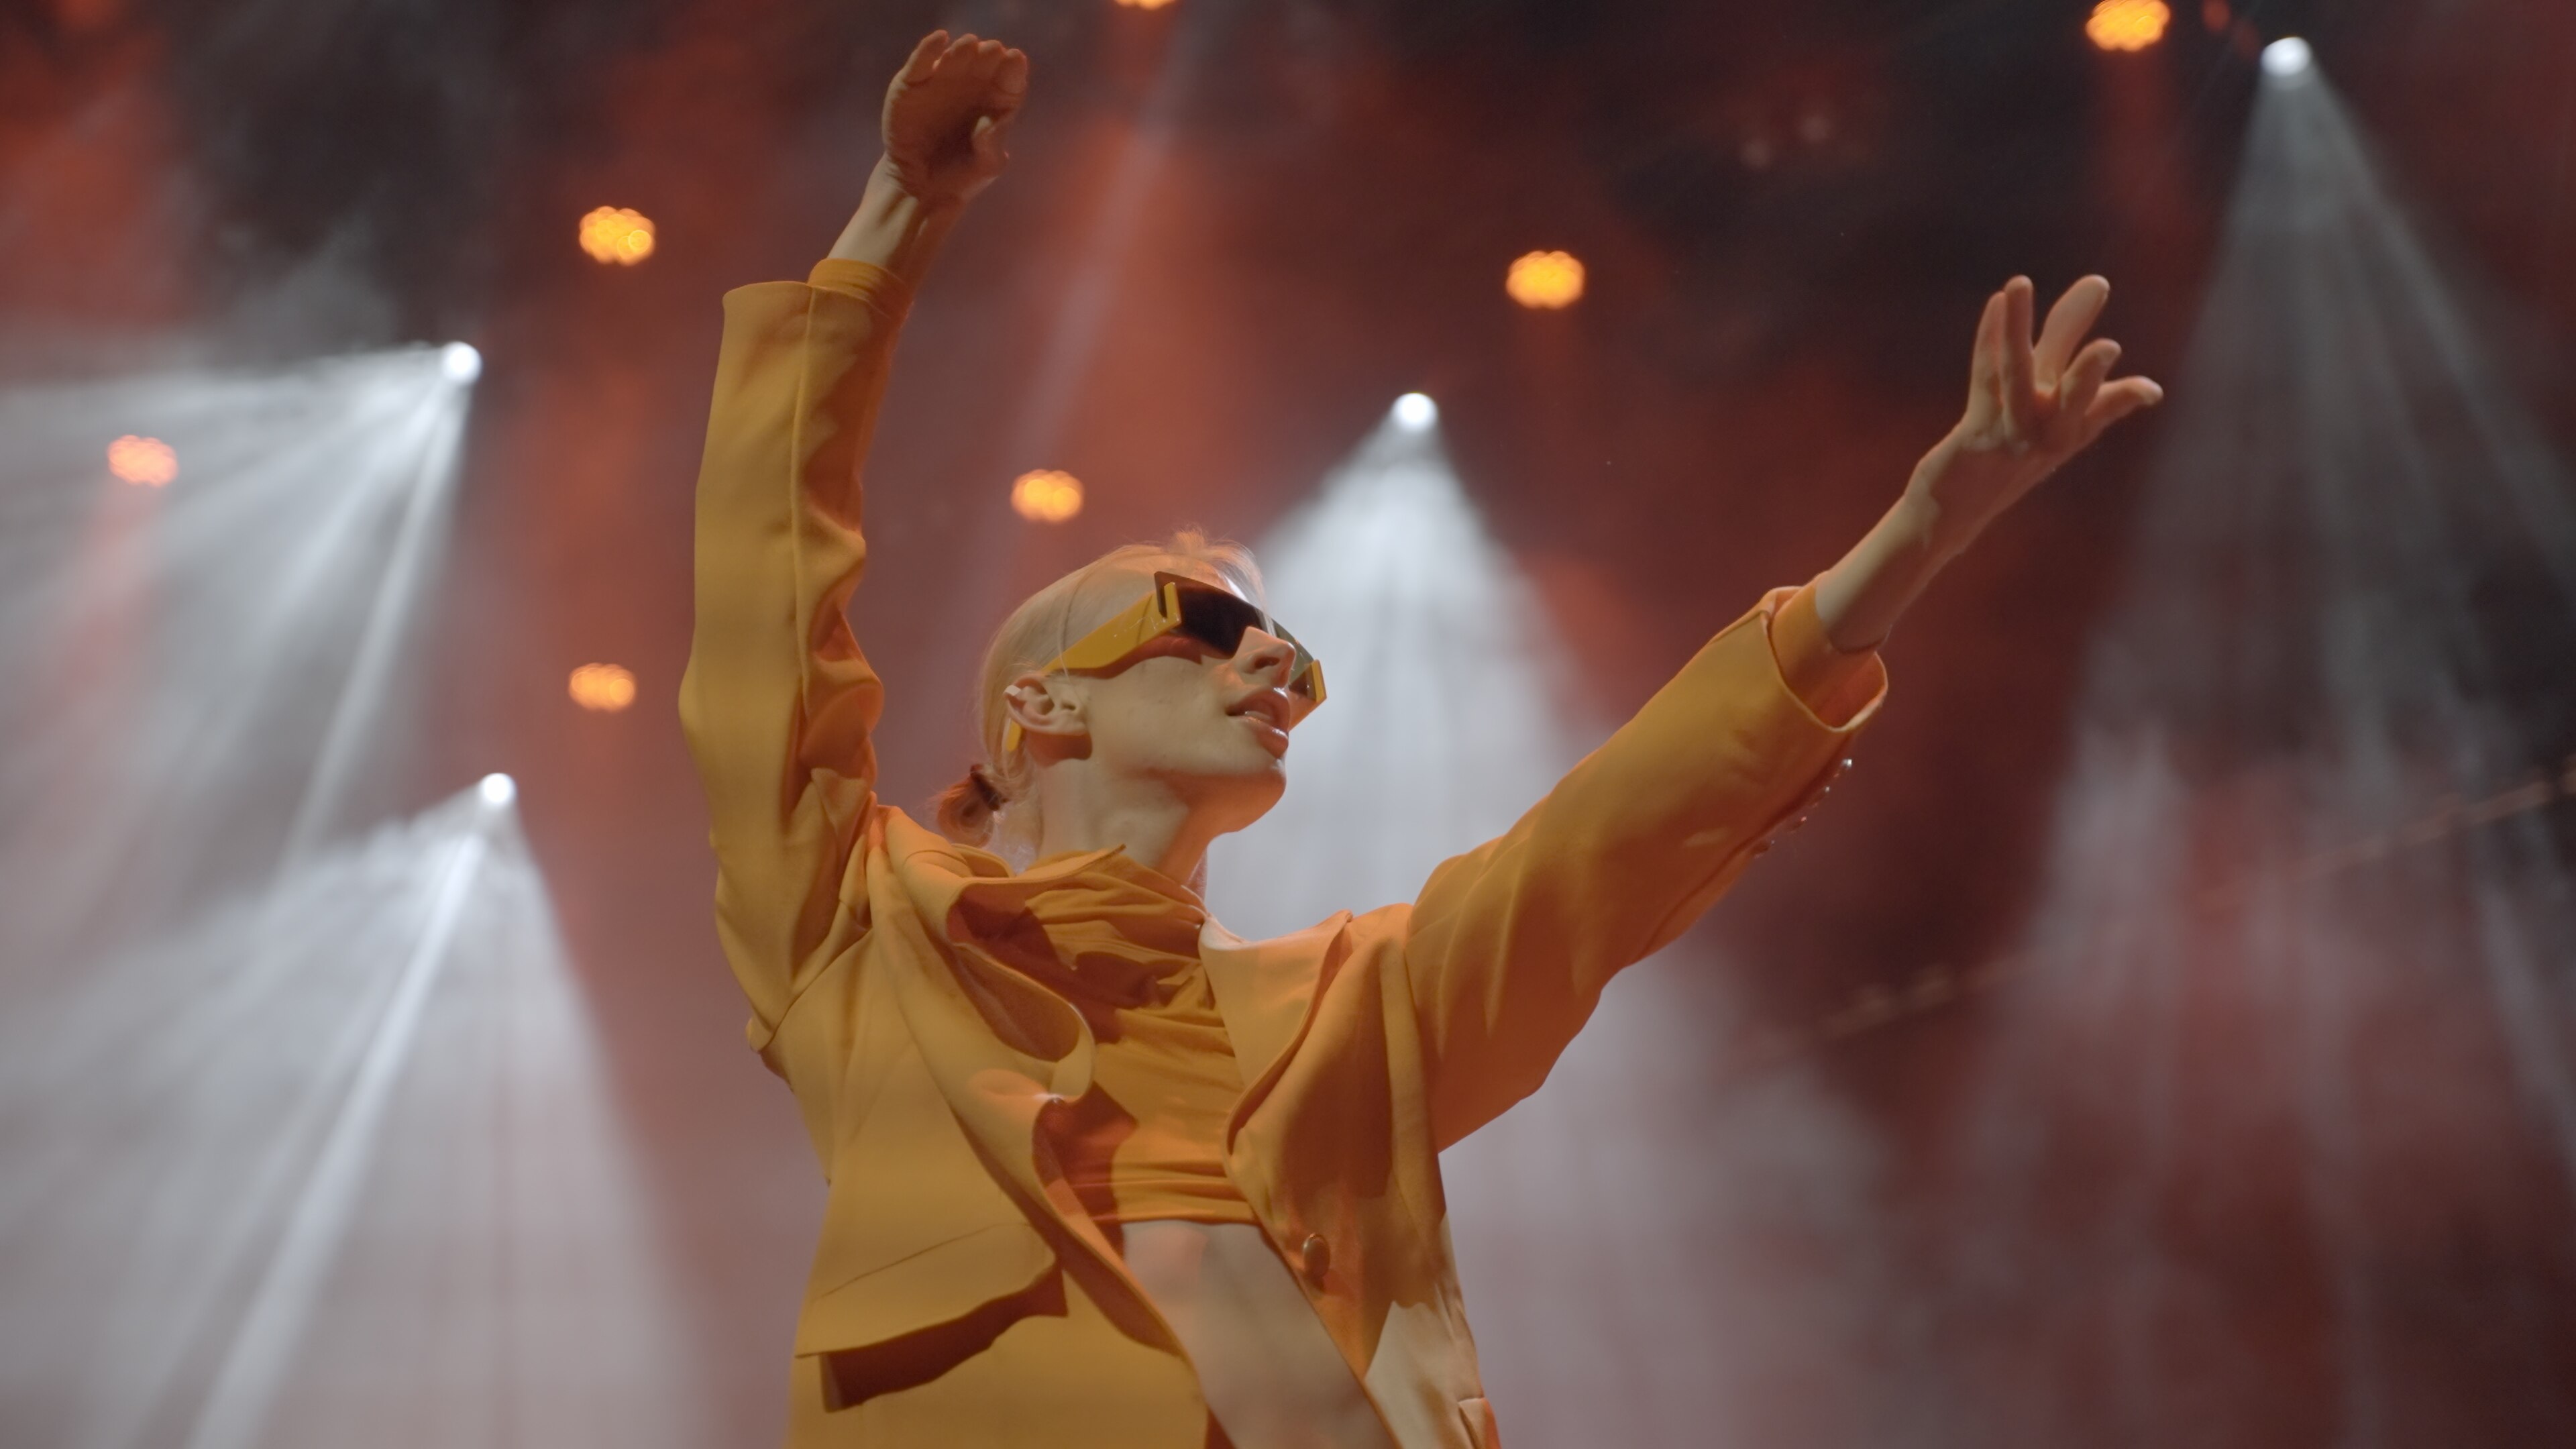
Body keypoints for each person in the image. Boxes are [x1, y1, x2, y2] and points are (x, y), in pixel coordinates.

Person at [680, 30, 2161, 1449]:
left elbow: (1612, 843)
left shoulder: (1356, 1009)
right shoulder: (867, 940)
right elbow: (764, 590)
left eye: (1294, 655)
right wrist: (891, 225)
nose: (1269, 655)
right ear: (1039, 710)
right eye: (1201, 620)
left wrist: (1918, 533)